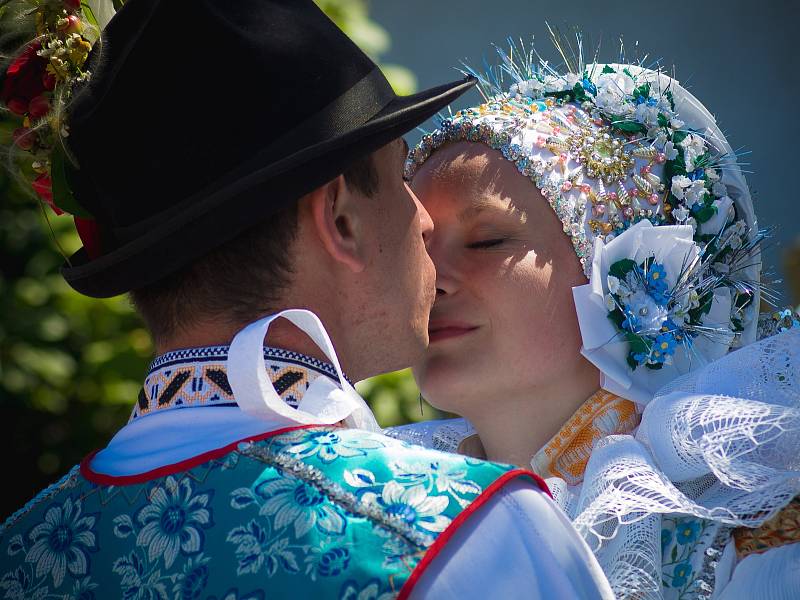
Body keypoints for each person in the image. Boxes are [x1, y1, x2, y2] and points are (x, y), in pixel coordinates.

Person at [0, 1, 615, 598]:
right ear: (341, 220)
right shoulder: (462, 533)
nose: (424, 221)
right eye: (402, 177)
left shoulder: (22, 553)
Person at [392, 41, 800, 599]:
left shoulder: (753, 531)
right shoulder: (385, 508)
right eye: (416, 246)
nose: (432, 278)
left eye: (486, 241)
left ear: (624, 265)